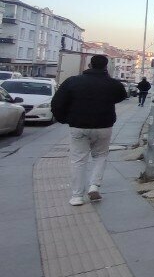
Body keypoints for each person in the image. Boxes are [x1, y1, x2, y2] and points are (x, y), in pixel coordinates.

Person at [51, 54, 128, 206]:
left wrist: (65, 119)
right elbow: (121, 96)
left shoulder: (72, 81)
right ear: (106, 67)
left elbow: (57, 103)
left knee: (78, 160)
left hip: (78, 126)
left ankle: (77, 196)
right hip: (104, 126)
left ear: (90, 65)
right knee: (100, 156)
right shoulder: (113, 84)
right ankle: (94, 186)